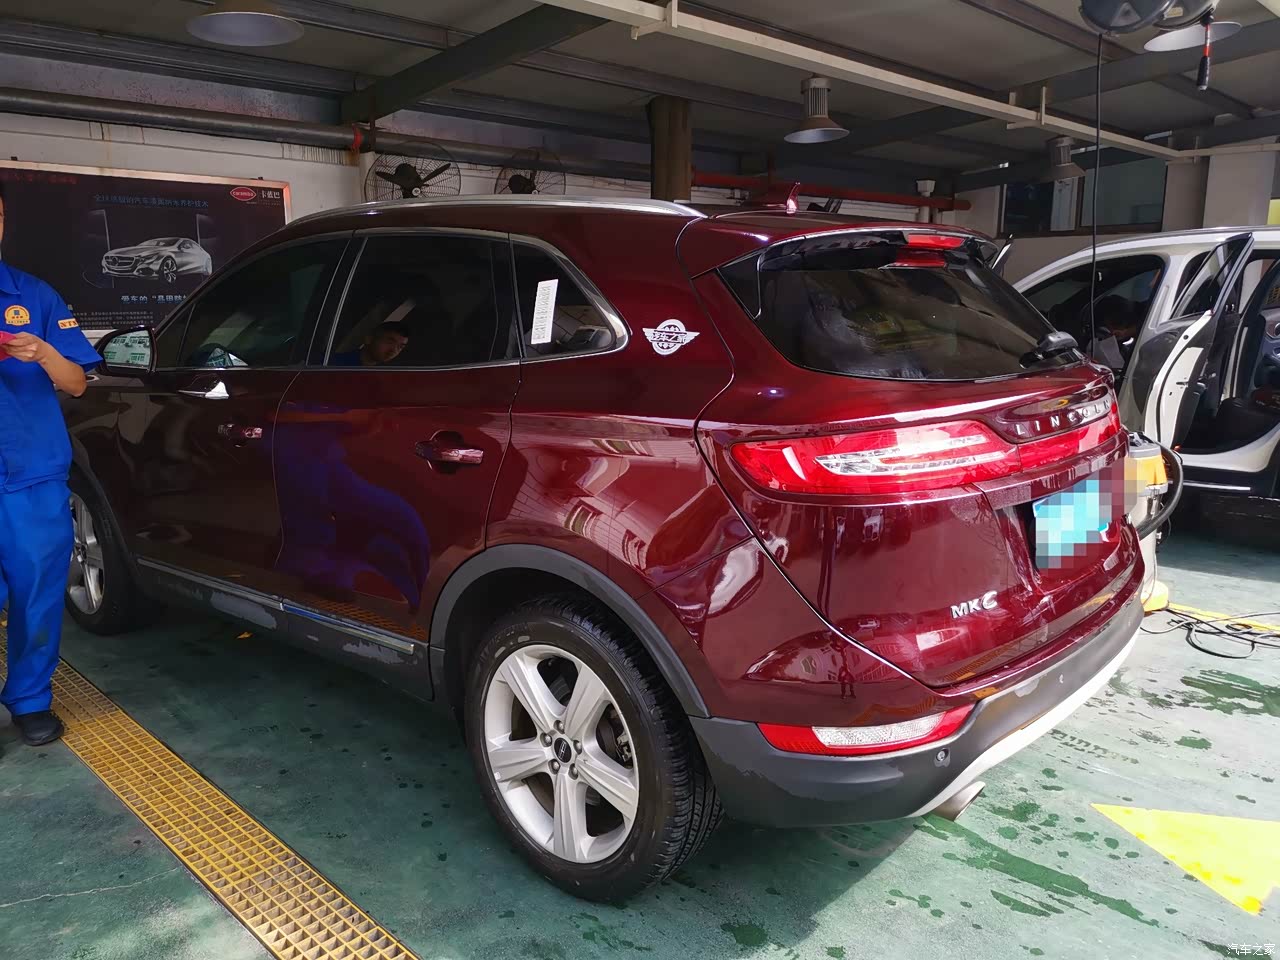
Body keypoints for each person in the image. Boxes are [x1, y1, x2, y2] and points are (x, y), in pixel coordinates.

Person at [0, 180, 102, 752]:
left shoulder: (32, 296)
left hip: (32, 474)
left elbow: (78, 383)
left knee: (37, 591)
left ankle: (30, 699)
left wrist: (43, 352)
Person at [330, 320, 410, 367]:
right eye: (389, 342)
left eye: (400, 347)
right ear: (369, 339)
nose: (394, 351)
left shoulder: (384, 373)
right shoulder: (335, 365)